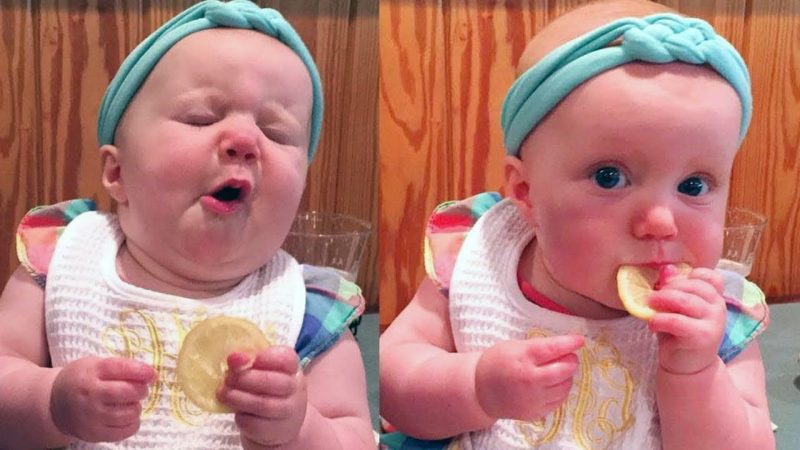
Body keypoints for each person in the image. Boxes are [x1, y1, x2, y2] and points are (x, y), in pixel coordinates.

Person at [379, 1, 773, 449]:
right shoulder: (477, 257)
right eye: (610, 177)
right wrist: (475, 388)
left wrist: (697, 373)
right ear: (526, 192)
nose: (661, 222)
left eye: (694, 185)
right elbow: (394, 386)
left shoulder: (717, 317)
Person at [0, 1, 374, 448]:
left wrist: (300, 430)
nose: (244, 140)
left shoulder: (310, 310)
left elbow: (355, 437)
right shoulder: (61, 260)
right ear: (118, 173)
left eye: (276, 132)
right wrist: (49, 402)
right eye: (202, 117)